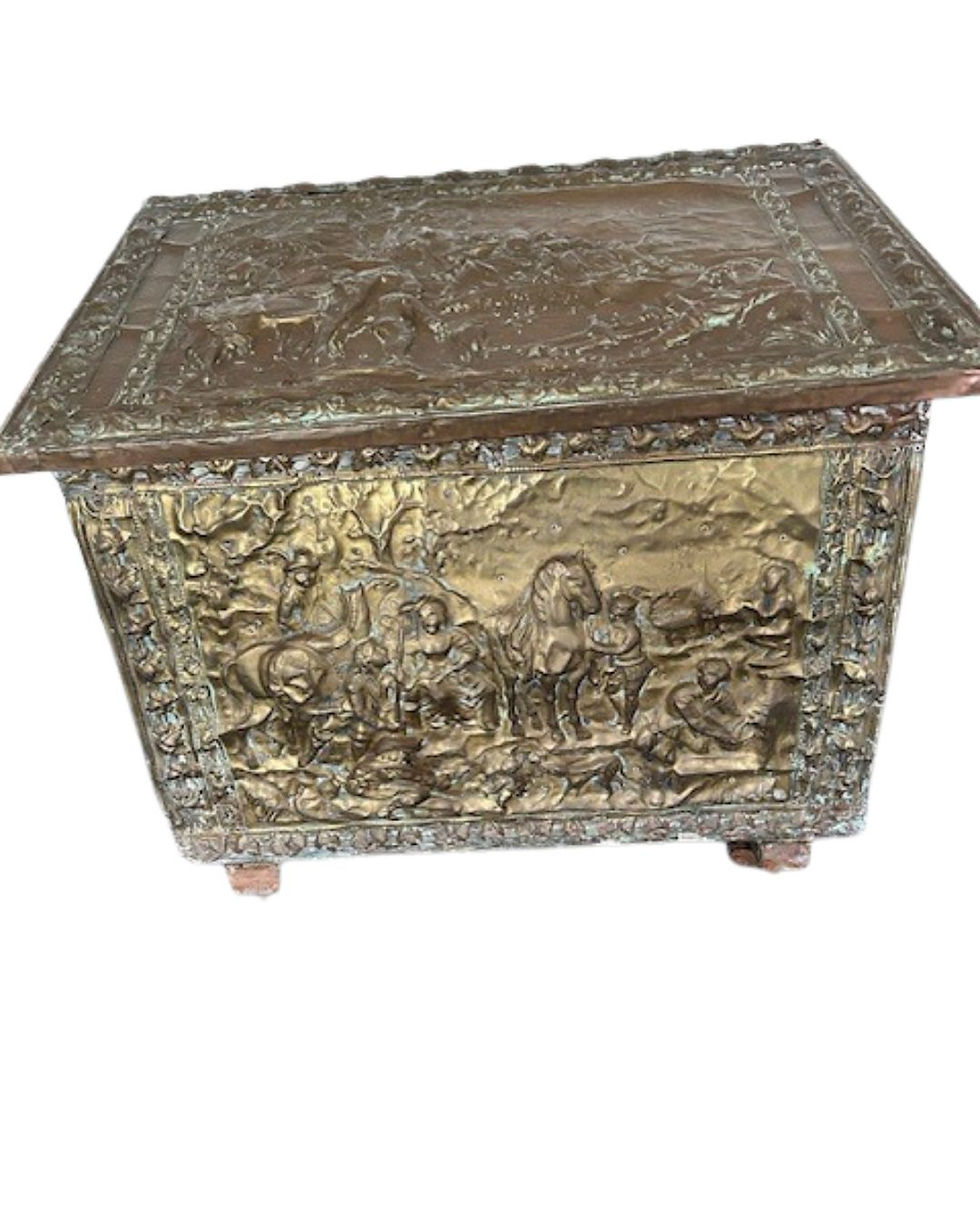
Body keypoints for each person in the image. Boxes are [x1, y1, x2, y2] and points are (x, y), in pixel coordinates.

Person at [399, 596, 498, 731]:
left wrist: (458, 662)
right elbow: (406, 659)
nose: (427, 621)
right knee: (414, 691)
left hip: (452, 671)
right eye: (423, 617)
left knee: (487, 687)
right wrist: (411, 669)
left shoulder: (452, 634)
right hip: (426, 673)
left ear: (441, 616)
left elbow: (470, 650)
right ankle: (413, 725)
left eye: (432, 615)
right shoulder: (415, 639)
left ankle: (486, 721)